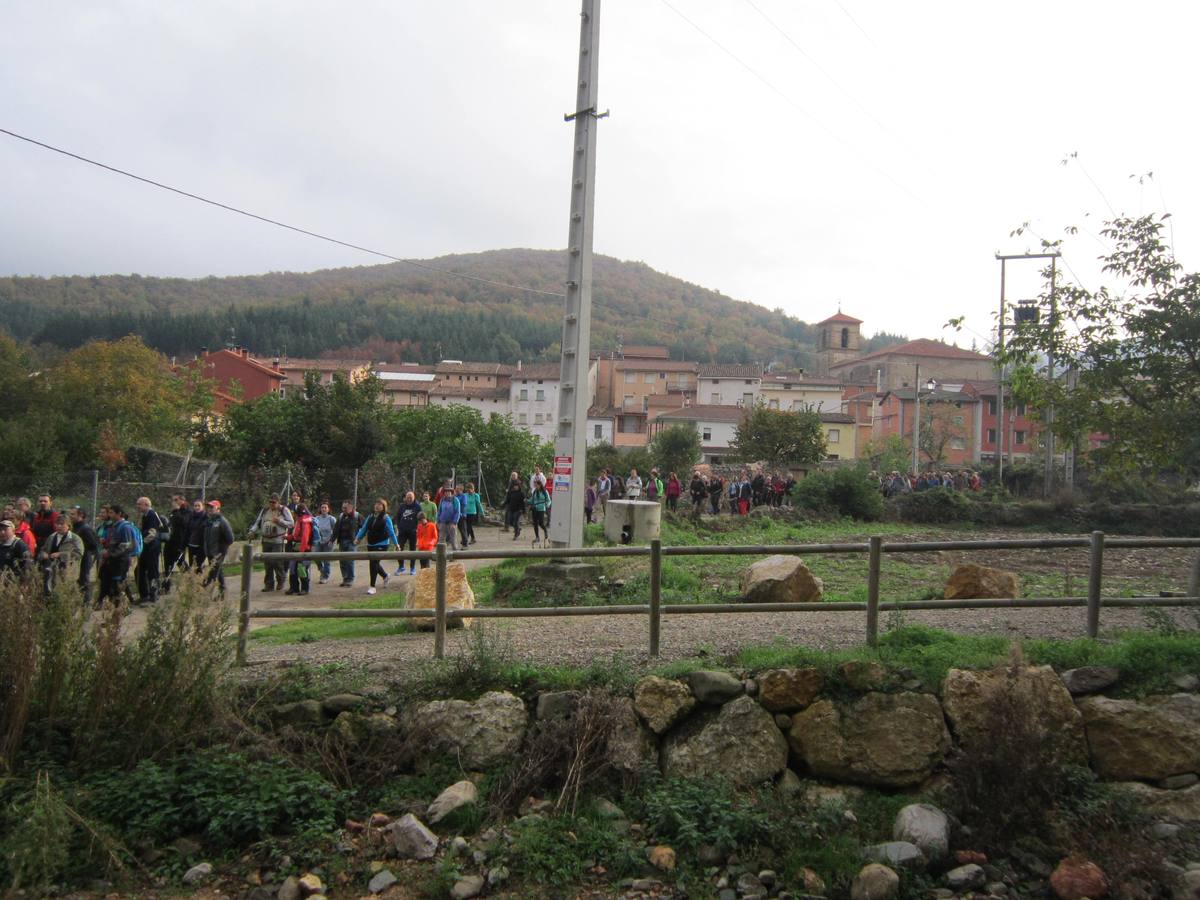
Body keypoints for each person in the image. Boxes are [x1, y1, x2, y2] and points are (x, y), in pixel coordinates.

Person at [248, 494, 294, 592]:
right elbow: (258, 522)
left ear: (278, 502)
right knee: (267, 562)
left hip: (278, 540)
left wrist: (280, 521)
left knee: (277, 561)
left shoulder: (284, 510)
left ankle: (281, 580)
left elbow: (291, 524)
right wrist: (252, 531)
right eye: (270, 502)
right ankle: (269, 584)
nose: (272, 504)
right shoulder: (265, 510)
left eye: (274, 502)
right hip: (266, 540)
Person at [355, 499, 397, 595]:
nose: (377, 506)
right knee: (374, 563)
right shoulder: (370, 516)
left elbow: (391, 532)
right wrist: (358, 538)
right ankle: (385, 576)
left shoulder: (386, 518)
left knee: (373, 563)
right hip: (371, 543)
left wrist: (396, 544)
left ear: (383, 507)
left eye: (380, 504)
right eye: (376, 504)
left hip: (382, 544)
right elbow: (364, 528)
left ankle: (372, 586)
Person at [99, 505, 140, 604]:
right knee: (107, 580)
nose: (109, 515)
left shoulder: (125, 527)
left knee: (117, 583)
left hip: (120, 561)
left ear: (119, 514)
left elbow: (126, 546)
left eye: (112, 513)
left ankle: (119, 605)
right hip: (112, 560)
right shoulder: (113, 526)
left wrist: (110, 553)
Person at [135, 496, 169, 605]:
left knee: (152, 571)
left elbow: (152, 533)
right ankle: (144, 595)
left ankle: (153, 595)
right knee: (139, 570)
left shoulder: (151, 515)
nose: (138, 506)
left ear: (146, 504)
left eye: (139, 504)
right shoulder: (144, 516)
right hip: (146, 548)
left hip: (152, 547)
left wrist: (142, 544)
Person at [39, 514, 83, 596]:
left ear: (68, 526)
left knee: (65, 594)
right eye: (57, 524)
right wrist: (43, 554)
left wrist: (60, 554)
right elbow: (43, 550)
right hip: (51, 572)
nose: (58, 526)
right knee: (49, 594)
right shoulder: (51, 537)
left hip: (67, 572)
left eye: (62, 524)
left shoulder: (75, 539)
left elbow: (78, 554)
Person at [201, 500, 235, 597]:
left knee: (212, 574)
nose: (209, 509)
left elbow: (230, 539)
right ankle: (223, 592)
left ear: (218, 509)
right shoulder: (208, 521)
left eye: (212, 507)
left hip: (219, 552)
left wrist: (222, 549)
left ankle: (205, 594)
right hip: (210, 552)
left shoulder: (222, 521)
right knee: (218, 572)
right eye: (208, 507)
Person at [71, 506, 100, 605]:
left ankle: (86, 602)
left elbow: (94, 545)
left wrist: (82, 549)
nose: (71, 516)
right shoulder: (75, 527)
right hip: (79, 557)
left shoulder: (85, 529)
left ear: (81, 515)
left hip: (86, 557)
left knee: (84, 579)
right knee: (81, 580)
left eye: (73, 514)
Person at [162, 494, 190, 593]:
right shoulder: (173, 513)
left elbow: (184, 523)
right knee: (167, 563)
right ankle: (166, 586)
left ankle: (190, 582)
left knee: (180, 562)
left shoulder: (186, 511)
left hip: (179, 542)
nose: (173, 502)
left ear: (182, 500)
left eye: (176, 500)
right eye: (173, 500)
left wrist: (176, 511)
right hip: (170, 541)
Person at [285, 502, 314, 595]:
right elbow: (296, 536)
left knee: (301, 569)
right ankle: (294, 587)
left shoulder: (305, 522)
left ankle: (305, 588)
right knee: (292, 568)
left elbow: (305, 538)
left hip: (304, 549)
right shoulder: (299, 521)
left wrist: (301, 552)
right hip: (296, 548)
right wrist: (288, 537)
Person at [393, 491, 423, 576]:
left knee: (412, 549)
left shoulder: (417, 506)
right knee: (399, 548)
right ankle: (401, 567)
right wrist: (399, 527)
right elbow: (398, 517)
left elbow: (421, 517)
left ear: (414, 498)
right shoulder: (402, 506)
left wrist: (417, 528)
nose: (409, 499)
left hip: (413, 531)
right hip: (402, 531)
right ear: (405, 498)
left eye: (411, 497)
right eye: (407, 497)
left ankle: (412, 567)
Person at [334, 500, 363, 587]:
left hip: (352, 542)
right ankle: (345, 578)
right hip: (342, 541)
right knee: (342, 560)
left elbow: (364, 527)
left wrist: (358, 538)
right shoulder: (341, 516)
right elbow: (336, 529)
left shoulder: (357, 516)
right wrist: (332, 540)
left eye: (345, 508)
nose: (343, 509)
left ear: (351, 508)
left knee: (350, 560)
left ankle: (350, 579)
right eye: (343, 507)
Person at [311, 500, 337, 585]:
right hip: (318, 541)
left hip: (328, 541)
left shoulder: (331, 519)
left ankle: (325, 576)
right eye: (322, 507)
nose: (324, 509)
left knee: (326, 560)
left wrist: (332, 540)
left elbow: (335, 530)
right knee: (316, 556)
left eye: (325, 507)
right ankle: (321, 569)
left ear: (328, 509)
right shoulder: (317, 518)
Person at [186, 499, 208, 572]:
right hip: (191, 545)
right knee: (192, 565)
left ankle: (200, 582)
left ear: (203, 507)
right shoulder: (191, 516)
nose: (197, 507)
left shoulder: (206, 517)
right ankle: (194, 582)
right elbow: (188, 530)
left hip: (201, 546)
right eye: (195, 506)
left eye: (199, 505)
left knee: (198, 566)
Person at [529, 480, 551, 547]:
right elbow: (532, 500)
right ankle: (537, 537)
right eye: (535, 485)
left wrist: (547, 505)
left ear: (540, 485)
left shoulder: (545, 491)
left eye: (536, 485)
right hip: (535, 509)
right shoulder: (535, 492)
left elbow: (549, 500)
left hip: (541, 509)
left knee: (540, 523)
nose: (535, 486)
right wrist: (527, 500)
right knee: (535, 523)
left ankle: (546, 531)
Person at [503, 474, 525, 540]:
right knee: (510, 522)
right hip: (511, 508)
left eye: (517, 486)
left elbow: (523, 502)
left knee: (515, 522)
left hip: (518, 510)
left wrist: (523, 510)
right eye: (515, 486)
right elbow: (507, 500)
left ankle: (516, 535)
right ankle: (518, 529)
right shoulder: (511, 492)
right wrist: (503, 505)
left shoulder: (521, 493)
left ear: (519, 486)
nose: (515, 487)